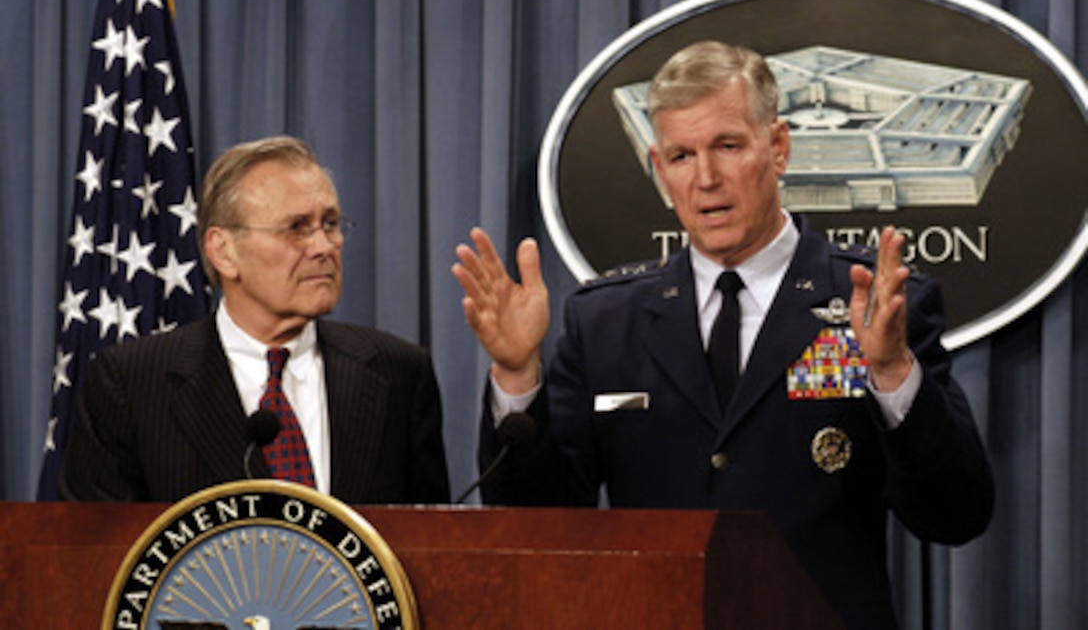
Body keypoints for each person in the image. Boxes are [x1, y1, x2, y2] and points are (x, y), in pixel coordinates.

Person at [452, 41, 993, 630]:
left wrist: (891, 374)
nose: (706, 178)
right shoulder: (607, 322)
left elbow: (957, 514)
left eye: (728, 146)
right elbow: (536, 525)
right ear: (660, 172)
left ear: (778, 147)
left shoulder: (875, 305)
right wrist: (516, 375)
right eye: (682, 156)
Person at [60, 135, 450, 504]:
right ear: (224, 251)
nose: (324, 247)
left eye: (330, 224)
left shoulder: (399, 374)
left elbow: (434, 552)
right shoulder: (131, 385)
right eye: (296, 228)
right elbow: (97, 558)